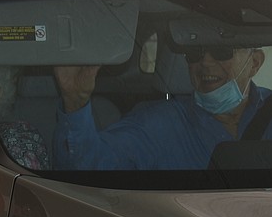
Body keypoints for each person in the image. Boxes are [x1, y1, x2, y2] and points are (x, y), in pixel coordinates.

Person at [53, 45, 269, 170]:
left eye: (222, 51)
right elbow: (88, 167)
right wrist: (75, 100)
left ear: (255, 62)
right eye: (194, 53)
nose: (206, 63)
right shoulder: (159, 123)